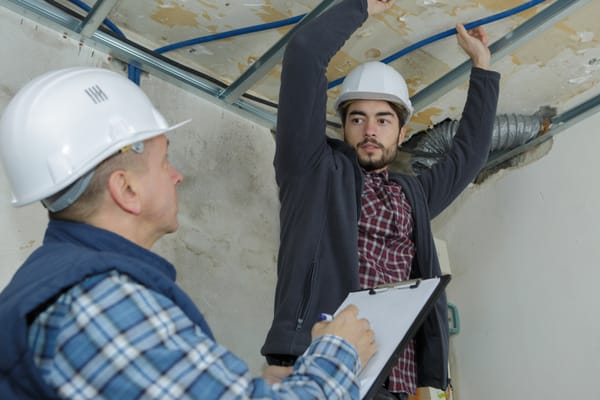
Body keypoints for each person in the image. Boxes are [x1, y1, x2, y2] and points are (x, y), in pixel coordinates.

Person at [0, 67, 377, 399]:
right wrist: (339, 351)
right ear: (126, 190)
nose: (177, 175)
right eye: (163, 160)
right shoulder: (99, 302)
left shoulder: (63, 283)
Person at [261, 0, 500, 398]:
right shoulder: (312, 171)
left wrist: (482, 67)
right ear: (343, 126)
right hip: (318, 365)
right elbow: (303, 56)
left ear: (402, 133)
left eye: (383, 119)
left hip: (394, 383)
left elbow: (469, 156)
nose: (370, 129)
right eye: (358, 118)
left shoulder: (414, 196)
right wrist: (359, 6)